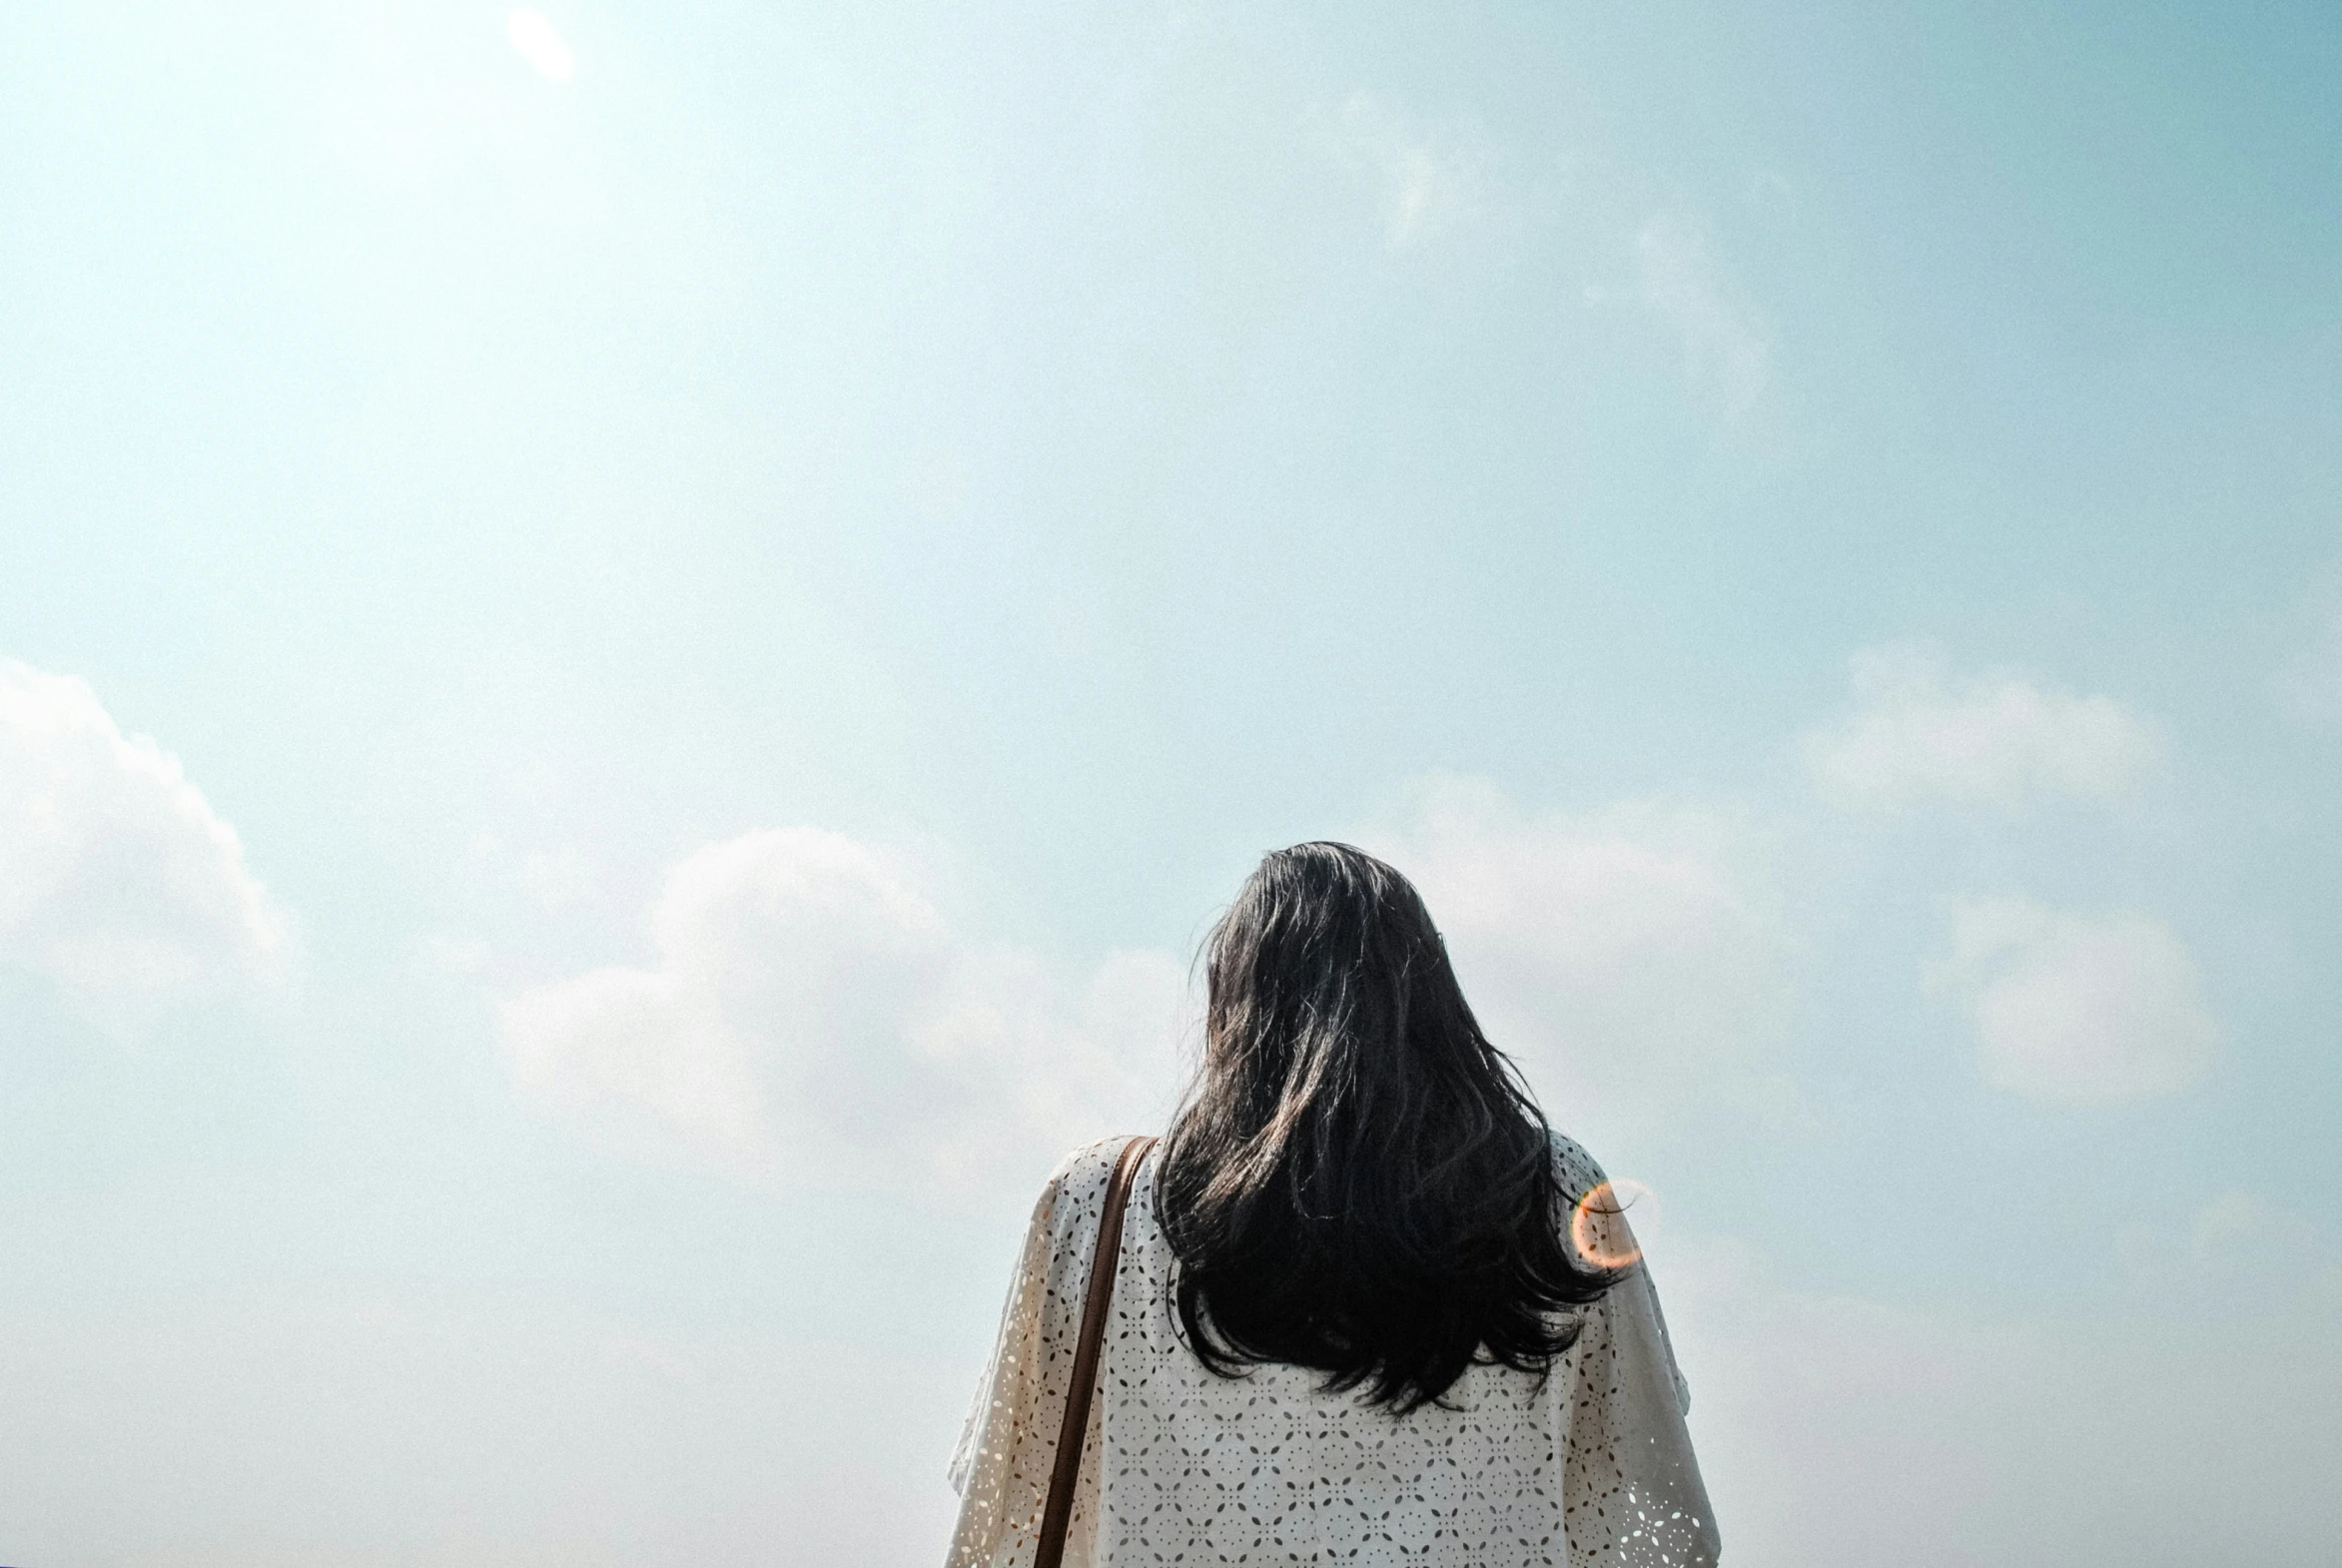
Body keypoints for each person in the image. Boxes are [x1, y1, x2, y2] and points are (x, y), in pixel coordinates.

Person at [947, 842, 1720, 1567]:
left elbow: (1006, 1506)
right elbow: (1648, 1506)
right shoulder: (1550, 1188)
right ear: (1432, 1004)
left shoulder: (1098, 1202)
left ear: (1235, 1007)